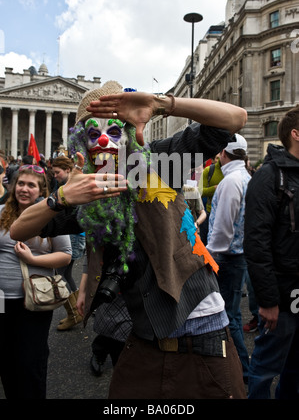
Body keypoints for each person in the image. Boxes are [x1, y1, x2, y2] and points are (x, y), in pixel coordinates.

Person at [10, 82, 248, 399]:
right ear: (83, 143)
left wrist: (161, 103)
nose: (105, 140)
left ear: (127, 131)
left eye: (114, 129)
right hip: (144, 337)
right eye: (94, 133)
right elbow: (18, 229)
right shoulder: (85, 192)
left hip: (200, 335)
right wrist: (62, 197)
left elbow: (234, 118)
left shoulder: (160, 161)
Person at [0, 164, 72, 399]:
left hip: (34, 299)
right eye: (21, 183)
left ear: (42, 191)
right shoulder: (1, 212)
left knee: (30, 362)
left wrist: (31, 258)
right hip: (1, 300)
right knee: (5, 360)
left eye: (31, 185)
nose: (24, 189)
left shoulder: (51, 215)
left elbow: (65, 255)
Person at [244, 106, 299, 399]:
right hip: (279, 295)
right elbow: (256, 243)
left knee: (295, 370)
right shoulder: (269, 176)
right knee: (265, 369)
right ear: (296, 134)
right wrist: (267, 301)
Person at [206, 134, 251, 382]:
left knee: (229, 316)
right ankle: (239, 367)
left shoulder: (232, 180)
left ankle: (242, 369)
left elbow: (223, 226)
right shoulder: (243, 176)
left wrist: (209, 257)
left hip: (228, 258)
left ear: (224, 153)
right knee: (230, 314)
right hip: (237, 256)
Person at [51, 156, 86, 331]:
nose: (55, 175)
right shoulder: (64, 185)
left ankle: (74, 313)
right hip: (73, 234)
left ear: (67, 170)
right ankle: (77, 311)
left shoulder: (71, 185)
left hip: (73, 234)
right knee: (67, 273)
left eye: (57, 172)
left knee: (61, 273)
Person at [200, 154, 224, 245]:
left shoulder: (232, 172)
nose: (218, 160)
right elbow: (200, 191)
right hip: (209, 213)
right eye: (217, 158)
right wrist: (214, 189)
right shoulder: (209, 170)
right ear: (213, 160)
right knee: (205, 242)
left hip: (224, 215)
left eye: (219, 157)